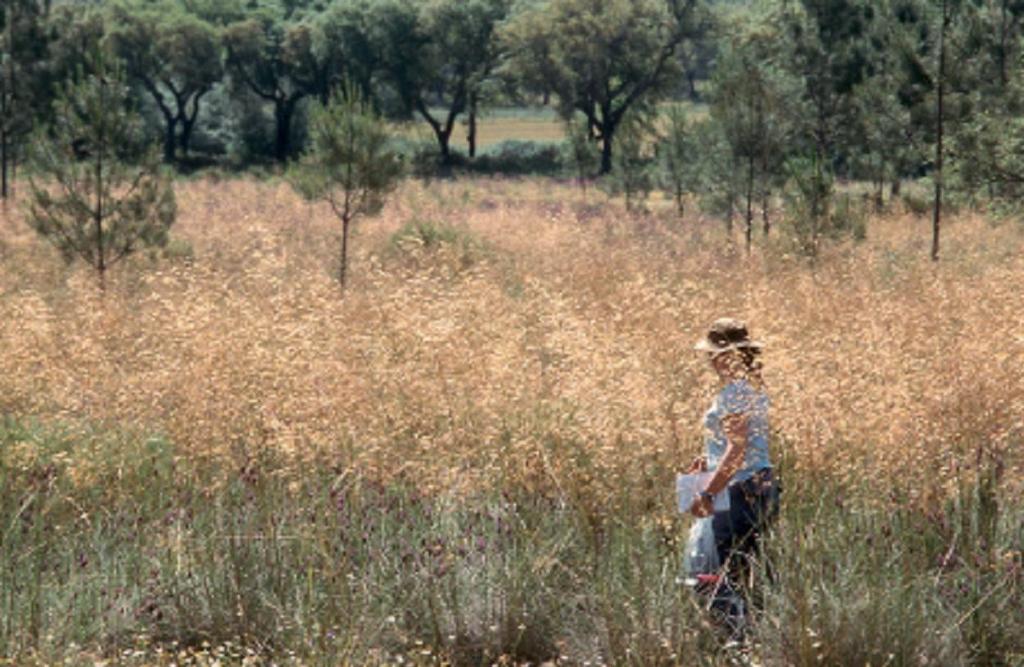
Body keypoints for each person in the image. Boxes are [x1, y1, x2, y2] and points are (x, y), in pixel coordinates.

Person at [686, 318, 780, 636]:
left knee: (709, 579)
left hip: (739, 492)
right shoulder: (749, 388)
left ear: (725, 355)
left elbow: (737, 452)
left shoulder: (734, 393)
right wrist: (708, 461)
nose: (709, 360)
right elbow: (742, 445)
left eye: (713, 354)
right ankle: (758, 641)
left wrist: (707, 493)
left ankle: (738, 643)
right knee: (743, 574)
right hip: (756, 487)